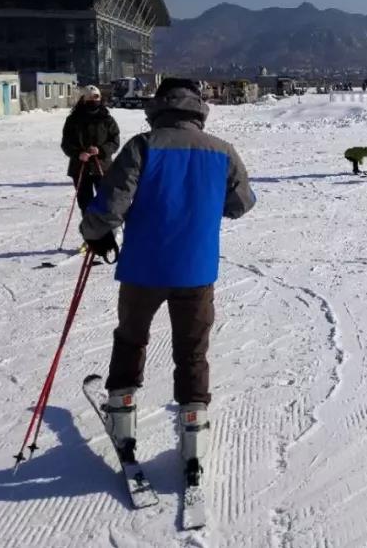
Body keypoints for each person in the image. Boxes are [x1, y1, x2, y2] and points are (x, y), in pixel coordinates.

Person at [79, 78, 256, 486]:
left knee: (131, 339)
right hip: (195, 271)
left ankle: (122, 421)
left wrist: (94, 232)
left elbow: (110, 205)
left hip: (143, 269)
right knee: (192, 352)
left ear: (159, 105)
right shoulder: (222, 151)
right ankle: (193, 436)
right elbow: (241, 203)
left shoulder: (143, 146)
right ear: (198, 106)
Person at [60, 86, 120, 215]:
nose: (94, 100)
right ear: (83, 99)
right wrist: (78, 154)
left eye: (96, 97)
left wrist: (101, 150)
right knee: (85, 205)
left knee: (106, 203)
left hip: (103, 168)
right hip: (80, 168)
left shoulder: (107, 119)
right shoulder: (73, 120)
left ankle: (108, 233)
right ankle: (91, 233)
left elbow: (115, 141)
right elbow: (66, 144)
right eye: (90, 97)